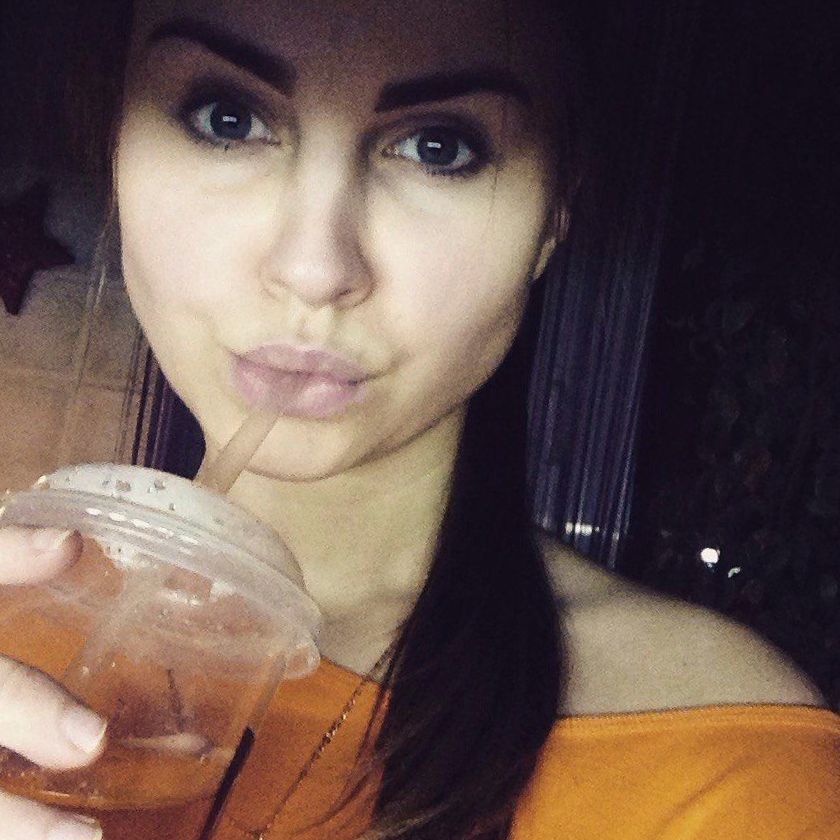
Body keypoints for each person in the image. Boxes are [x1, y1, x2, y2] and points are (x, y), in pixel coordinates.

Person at [0, 2, 838, 839]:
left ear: (556, 210)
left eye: (439, 147)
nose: (314, 268)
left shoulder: (720, 772)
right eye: (228, 118)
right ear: (114, 139)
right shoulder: (16, 615)